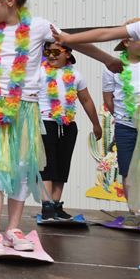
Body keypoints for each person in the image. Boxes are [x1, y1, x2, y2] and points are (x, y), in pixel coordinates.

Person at [0, 0, 122, 256]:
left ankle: (14, 228)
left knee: (22, 170)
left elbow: (73, 42)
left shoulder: (39, 27)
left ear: (9, 0)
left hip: (27, 109)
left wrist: (107, 60)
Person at [56, 20, 140, 226]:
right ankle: (135, 212)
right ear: (127, 42)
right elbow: (108, 98)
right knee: (128, 169)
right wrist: (121, 116)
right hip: (125, 125)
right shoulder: (113, 68)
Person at [38, 42, 102, 220]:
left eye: (56, 52)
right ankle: (47, 205)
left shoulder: (75, 75)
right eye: (48, 52)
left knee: (62, 165)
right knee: (47, 165)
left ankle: (56, 204)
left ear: (67, 54)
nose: (51, 55)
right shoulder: (39, 72)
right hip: (44, 122)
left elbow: (86, 100)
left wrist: (96, 124)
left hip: (67, 124)